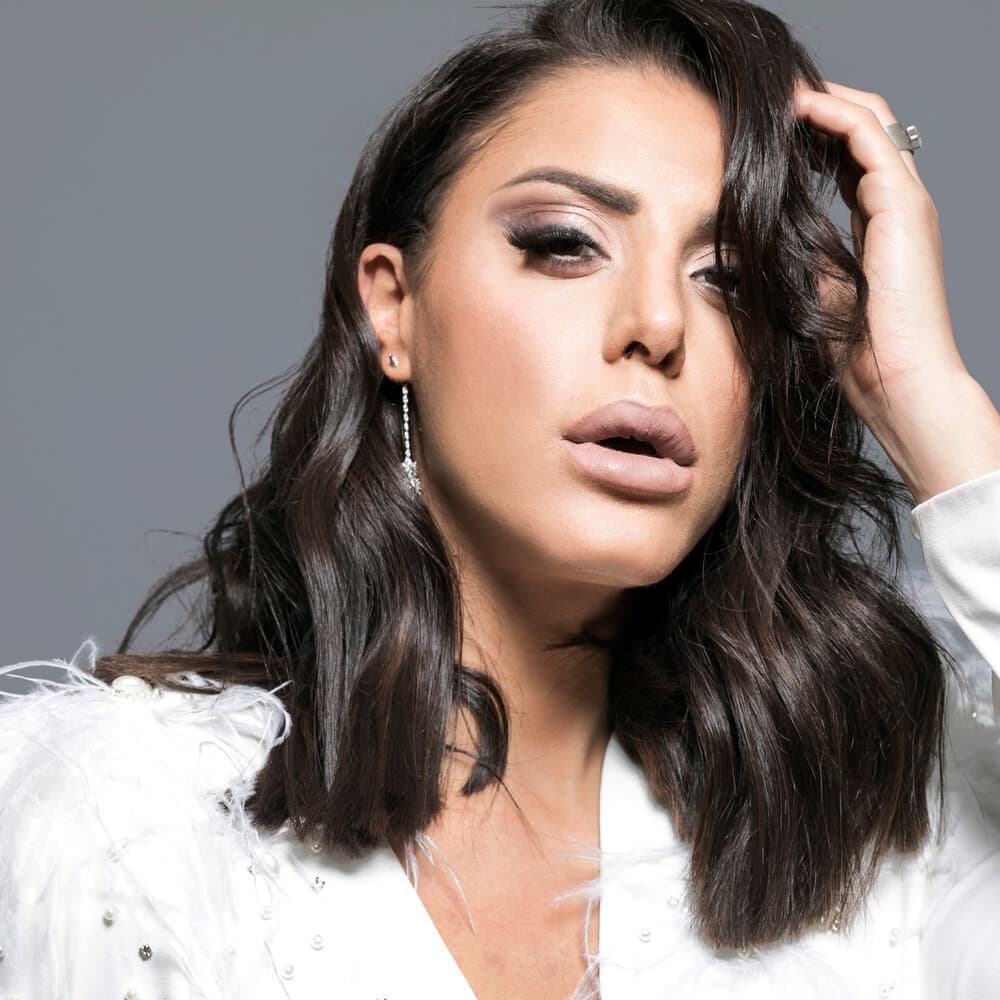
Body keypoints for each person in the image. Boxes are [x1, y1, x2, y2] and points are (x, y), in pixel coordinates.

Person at [2, 0, 999, 997]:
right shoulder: (121, 826)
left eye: (729, 282)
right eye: (564, 243)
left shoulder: (888, 825)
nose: (658, 325)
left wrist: (928, 400)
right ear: (392, 307)